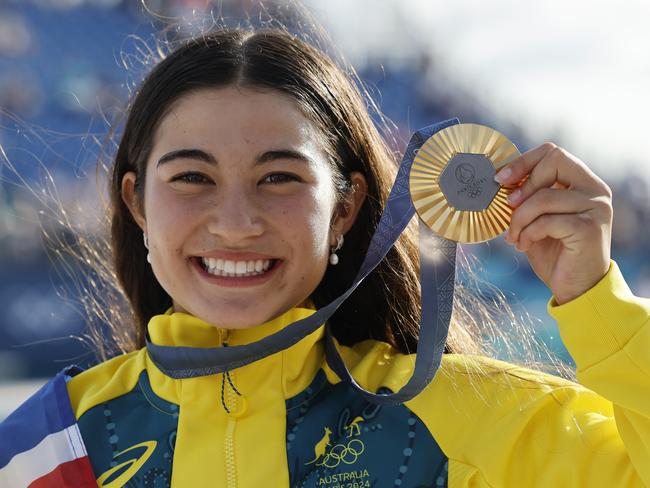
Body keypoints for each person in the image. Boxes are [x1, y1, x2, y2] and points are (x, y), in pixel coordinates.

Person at [0, 25, 648, 488]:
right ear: (138, 204)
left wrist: (598, 305)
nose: (234, 223)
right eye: (192, 178)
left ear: (344, 208)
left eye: (279, 177)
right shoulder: (48, 448)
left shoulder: (469, 419)